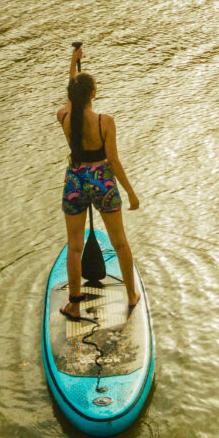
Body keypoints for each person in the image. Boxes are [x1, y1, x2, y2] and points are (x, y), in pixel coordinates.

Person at [57, 44, 140, 319]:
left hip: (75, 181)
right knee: (120, 243)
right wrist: (130, 193)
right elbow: (114, 161)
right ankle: (131, 295)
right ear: (94, 94)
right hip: (102, 182)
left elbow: (71, 95)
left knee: (75, 245)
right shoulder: (106, 121)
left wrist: (73, 61)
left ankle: (75, 305)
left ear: (71, 96)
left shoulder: (65, 118)